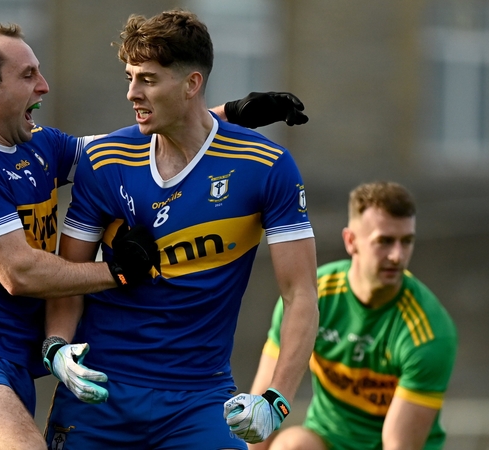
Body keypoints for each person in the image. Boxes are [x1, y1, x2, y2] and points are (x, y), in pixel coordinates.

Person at [0, 23, 310, 450]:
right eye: (27, 75)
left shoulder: (37, 147)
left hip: (10, 362)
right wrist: (119, 272)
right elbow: (20, 273)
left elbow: (120, 147)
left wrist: (227, 114)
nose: (44, 86)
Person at [43, 9, 318, 449]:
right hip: (100, 394)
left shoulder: (266, 166)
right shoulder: (105, 159)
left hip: (198, 399)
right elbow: (67, 278)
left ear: (191, 84)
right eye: (130, 77)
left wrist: (276, 399)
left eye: (148, 80)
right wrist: (56, 348)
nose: (133, 93)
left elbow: (301, 295)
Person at [247, 181, 458, 450]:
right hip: (328, 440)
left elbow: (398, 445)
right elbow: (264, 407)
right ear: (351, 241)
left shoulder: (429, 332)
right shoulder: (311, 300)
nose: (397, 255)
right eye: (384, 241)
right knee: (291, 446)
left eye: (406, 241)